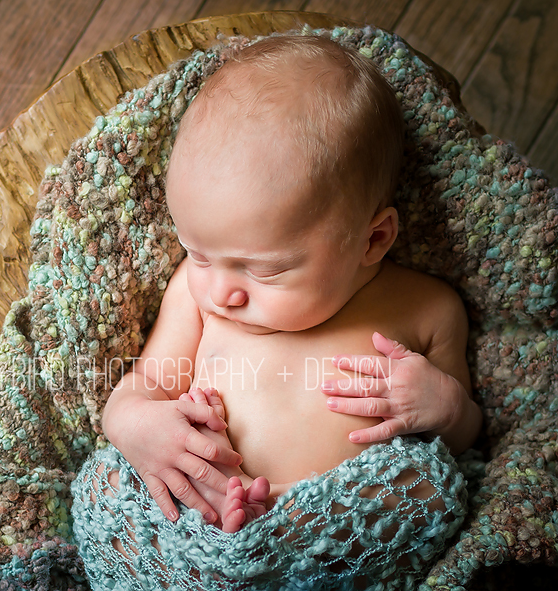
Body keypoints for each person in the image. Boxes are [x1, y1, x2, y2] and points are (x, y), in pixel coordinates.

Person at [98, 34, 483, 534]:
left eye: (265, 269)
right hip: (203, 524)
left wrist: (444, 406)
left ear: (372, 240)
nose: (222, 292)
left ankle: (288, 529)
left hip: (347, 533)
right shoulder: (197, 301)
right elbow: (144, 386)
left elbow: (464, 439)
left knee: (432, 488)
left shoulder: (426, 309)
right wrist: (135, 426)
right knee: (110, 483)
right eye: (197, 254)